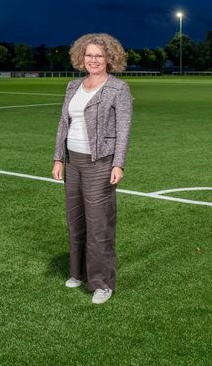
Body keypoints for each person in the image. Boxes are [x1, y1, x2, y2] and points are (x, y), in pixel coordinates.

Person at [52, 33, 133, 305]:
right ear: (81, 57)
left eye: (99, 55)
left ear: (109, 58)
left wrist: (118, 163)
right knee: (75, 221)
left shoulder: (118, 89)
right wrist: (58, 159)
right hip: (73, 162)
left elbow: (123, 130)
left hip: (100, 163)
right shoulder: (73, 86)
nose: (94, 60)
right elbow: (63, 124)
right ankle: (78, 272)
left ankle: (102, 283)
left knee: (99, 225)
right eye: (89, 55)